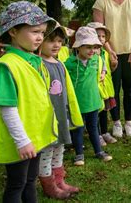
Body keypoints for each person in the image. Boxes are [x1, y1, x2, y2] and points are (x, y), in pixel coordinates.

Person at [0, 1, 58, 202]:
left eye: (42, 32)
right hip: (20, 142)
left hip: (35, 136)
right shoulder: (7, 66)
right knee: (17, 185)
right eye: (34, 31)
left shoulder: (32, 60)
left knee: (30, 181)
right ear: (13, 31)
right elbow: (7, 108)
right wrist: (22, 140)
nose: (40, 37)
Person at [92, 0, 131, 138]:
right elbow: (99, 30)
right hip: (110, 53)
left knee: (129, 89)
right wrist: (109, 51)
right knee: (112, 90)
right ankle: (116, 122)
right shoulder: (101, 2)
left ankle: (128, 122)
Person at [38, 23, 83, 199]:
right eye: (51, 41)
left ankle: (59, 181)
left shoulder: (59, 64)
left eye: (59, 41)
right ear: (40, 41)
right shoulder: (38, 65)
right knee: (47, 152)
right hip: (48, 118)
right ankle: (49, 186)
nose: (56, 45)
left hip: (61, 115)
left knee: (60, 148)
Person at [64, 26, 112, 166]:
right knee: (78, 128)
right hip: (77, 103)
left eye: (95, 47)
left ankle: (99, 151)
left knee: (93, 127)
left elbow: (103, 65)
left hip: (93, 101)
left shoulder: (96, 59)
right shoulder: (69, 63)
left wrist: (103, 72)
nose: (92, 50)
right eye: (88, 47)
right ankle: (79, 155)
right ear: (78, 47)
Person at [86, 22, 118, 145]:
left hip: (105, 89)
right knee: (96, 113)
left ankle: (104, 132)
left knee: (104, 111)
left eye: (103, 36)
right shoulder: (88, 54)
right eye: (97, 35)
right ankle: (97, 134)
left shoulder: (105, 53)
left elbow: (108, 70)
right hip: (94, 89)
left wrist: (113, 65)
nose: (100, 39)